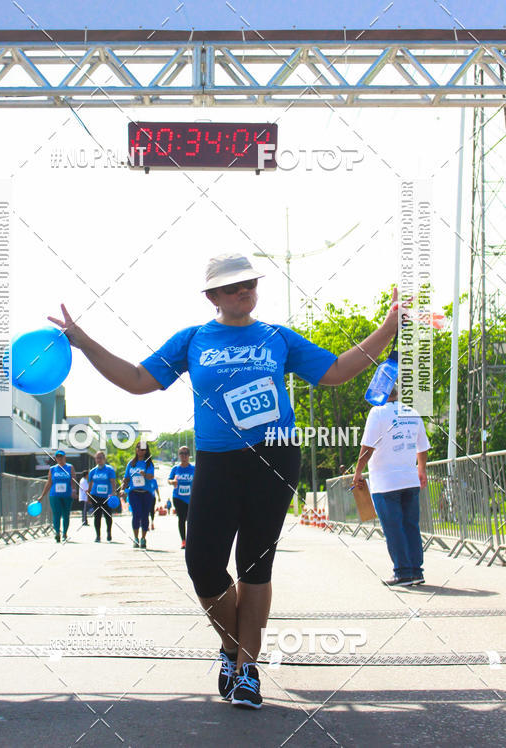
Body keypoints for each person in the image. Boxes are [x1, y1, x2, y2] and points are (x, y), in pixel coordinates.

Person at [49, 253, 398, 708]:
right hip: (216, 461)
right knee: (204, 564)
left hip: (274, 456)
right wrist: (83, 341)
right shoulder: (193, 339)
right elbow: (137, 380)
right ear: (212, 296)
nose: (243, 291)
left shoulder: (277, 337)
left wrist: (390, 326)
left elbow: (334, 372)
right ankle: (232, 649)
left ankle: (248, 670)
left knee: (255, 563)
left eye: (249, 283)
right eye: (232, 287)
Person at [353, 384, 430, 586]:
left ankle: (402, 572)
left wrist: (358, 471)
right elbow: (422, 446)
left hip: (386, 482)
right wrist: (421, 469)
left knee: (394, 527)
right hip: (410, 479)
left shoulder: (377, 413)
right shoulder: (412, 413)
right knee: (411, 526)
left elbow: (367, 447)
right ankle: (416, 570)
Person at [120, 441, 155, 548]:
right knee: (136, 514)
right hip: (134, 493)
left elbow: (151, 476)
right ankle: (135, 538)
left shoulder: (148, 463)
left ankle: (143, 538)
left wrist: (145, 474)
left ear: (146, 451)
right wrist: (122, 489)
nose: (141, 450)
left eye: (143, 449)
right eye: (139, 448)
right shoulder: (131, 463)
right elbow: (126, 478)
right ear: (136, 449)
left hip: (146, 493)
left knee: (145, 515)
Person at [39, 449, 73, 542]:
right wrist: (42, 495)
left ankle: (65, 533)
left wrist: (74, 491)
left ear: (64, 457)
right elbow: (49, 482)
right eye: (57, 457)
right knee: (56, 514)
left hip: (67, 495)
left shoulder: (69, 467)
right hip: (55, 495)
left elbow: (73, 480)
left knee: (66, 514)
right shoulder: (53, 469)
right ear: (55, 458)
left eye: (61, 456)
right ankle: (57, 532)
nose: (59, 458)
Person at [169, 446, 195, 549]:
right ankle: (183, 541)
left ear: (189, 455)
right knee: (181, 518)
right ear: (179, 455)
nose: (184, 456)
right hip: (178, 497)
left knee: (191, 519)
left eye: (186, 453)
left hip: (191, 497)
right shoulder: (175, 469)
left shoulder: (193, 468)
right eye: (181, 453)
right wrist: (172, 482)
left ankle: (191, 540)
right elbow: (169, 479)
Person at [88, 451, 116, 542]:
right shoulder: (92, 471)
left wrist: (113, 493)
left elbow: (113, 482)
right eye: (97, 458)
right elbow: (90, 484)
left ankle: (109, 532)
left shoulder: (109, 470)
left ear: (104, 459)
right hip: (95, 496)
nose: (99, 460)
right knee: (97, 516)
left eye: (100, 458)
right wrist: (88, 495)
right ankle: (98, 535)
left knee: (108, 515)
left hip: (107, 496)